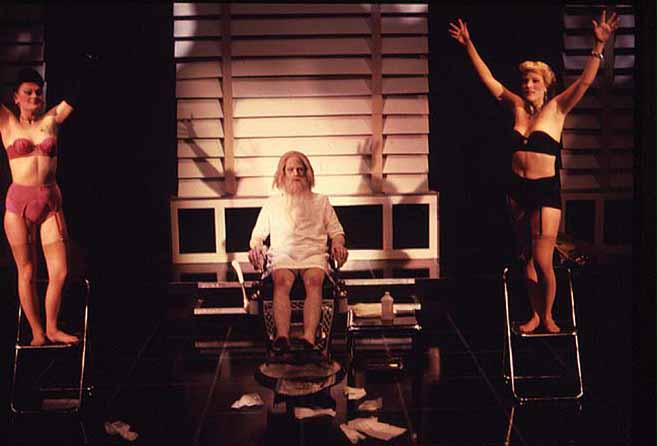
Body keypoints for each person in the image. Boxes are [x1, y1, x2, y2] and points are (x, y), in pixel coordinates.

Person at [449, 11, 618, 333]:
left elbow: (584, 82)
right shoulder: (516, 106)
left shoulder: (557, 108)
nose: (528, 85)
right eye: (525, 80)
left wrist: (599, 45)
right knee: (526, 259)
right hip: (517, 190)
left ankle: (549, 314)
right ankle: (535, 315)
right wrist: (468, 44)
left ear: (546, 85)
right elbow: (489, 80)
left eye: (534, 81)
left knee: (543, 260)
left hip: (544, 191)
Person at [1, 68, 79, 345]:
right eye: (28, 92)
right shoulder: (7, 123)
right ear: (16, 97)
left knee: (60, 271)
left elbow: (77, 93)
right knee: (27, 271)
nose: (35, 97)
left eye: (38, 92)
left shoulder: (51, 119)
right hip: (19, 206)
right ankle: (37, 332)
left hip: (50, 204)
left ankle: (52, 327)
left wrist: (89, 61)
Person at [248, 151, 349, 352]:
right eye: (291, 170)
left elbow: (337, 232)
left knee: (314, 281)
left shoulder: (321, 201)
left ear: (308, 173)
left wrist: (338, 245)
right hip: (283, 254)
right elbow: (257, 236)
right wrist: (256, 247)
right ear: (283, 173)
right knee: (281, 281)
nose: (296, 174)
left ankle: (309, 337)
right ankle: (282, 337)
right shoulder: (273, 203)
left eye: (300, 170)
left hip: (313, 253)